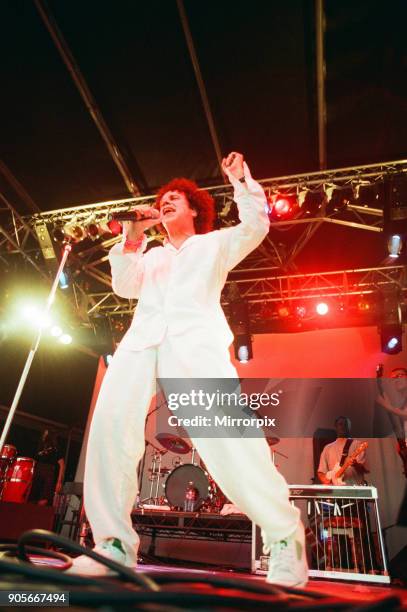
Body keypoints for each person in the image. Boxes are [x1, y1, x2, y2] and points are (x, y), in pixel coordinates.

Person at [70, 152, 308, 587]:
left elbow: (256, 226)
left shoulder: (213, 245)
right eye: (162, 200)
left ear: (195, 209)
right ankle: (112, 545)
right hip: (141, 342)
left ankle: (283, 537)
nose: (166, 203)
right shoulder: (153, 254)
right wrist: (131, 237)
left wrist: (241, 181)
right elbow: (124, 285)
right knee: (110, 426)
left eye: (175, 198)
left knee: (223, 431)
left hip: (194, 343)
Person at [318, 416, 368, 485]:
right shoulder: (327, 448)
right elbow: (321, 472)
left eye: (346, 425)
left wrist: (356, 464)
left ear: (350, 427)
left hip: (354, 488)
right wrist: (326, 482)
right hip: (335, 491)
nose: (343, 427)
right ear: (336, 426)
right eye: (340, 424)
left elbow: (365, 470)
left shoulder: (358, 444)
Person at [376, 366, 407, 476]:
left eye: (399, 376)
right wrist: (378, 380)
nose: (396, 380)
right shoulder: (400, 401)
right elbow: (389, 404)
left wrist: (386, 406)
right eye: (393, 378)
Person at [29, 429, 65, 506]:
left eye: (45, 434)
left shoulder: (55, 449)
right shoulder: (40, 447)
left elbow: (62, 465)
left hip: (48, 473)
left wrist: (59, 482)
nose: (43, 436)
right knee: (32, 499)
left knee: (43, 500)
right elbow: (34, 461)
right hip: (37, 472)